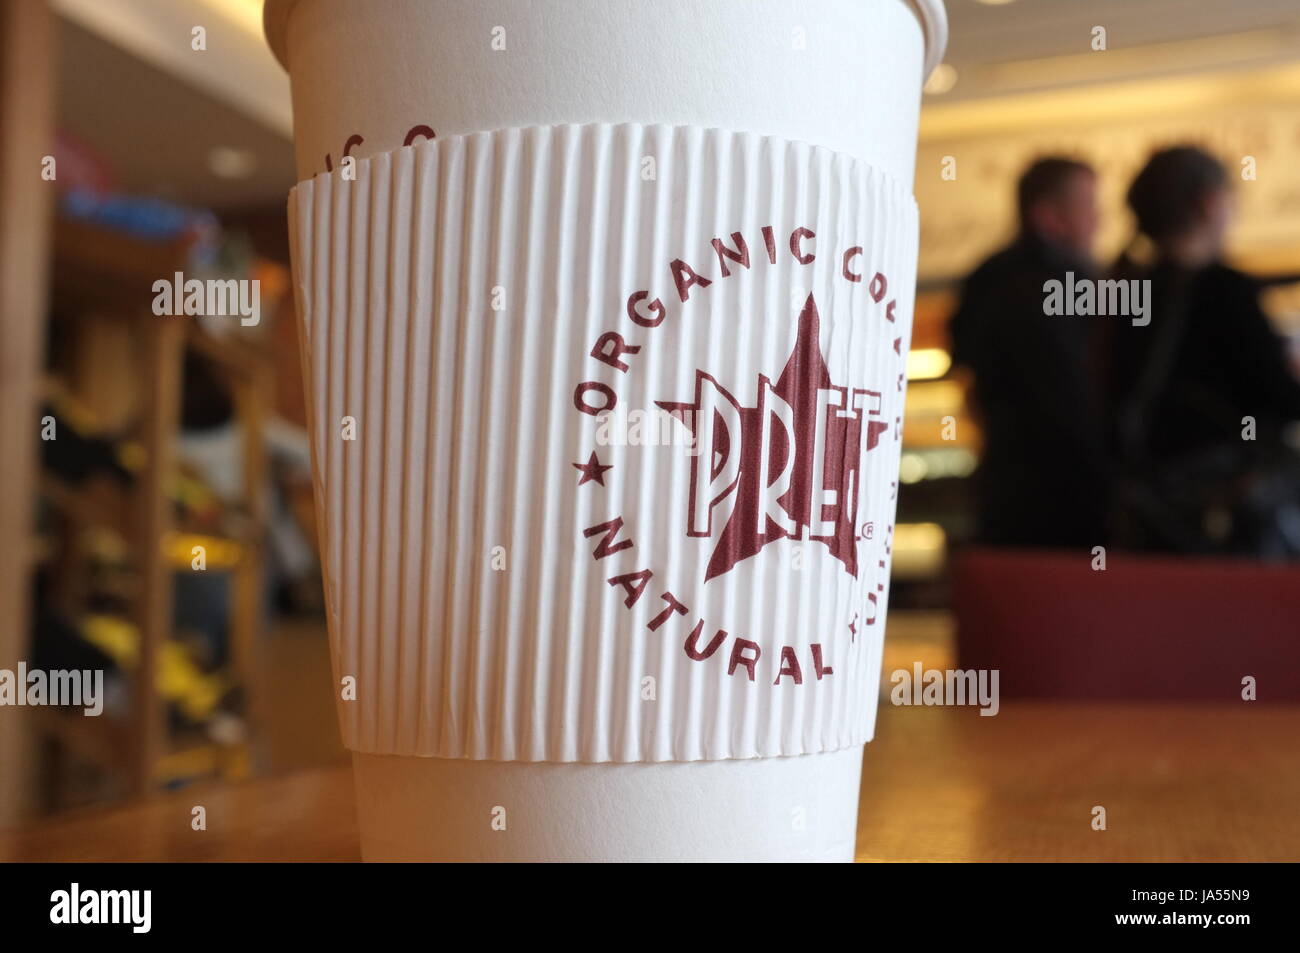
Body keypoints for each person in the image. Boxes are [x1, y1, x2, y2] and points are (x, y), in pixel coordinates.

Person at [1109, 146, 1300, 557]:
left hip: (1157, 519)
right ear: (1209, 203)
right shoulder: (1223, 289)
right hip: (1231, 515)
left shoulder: (1124, 293)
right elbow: (1280, 399)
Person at [950, 157, 1108, 548]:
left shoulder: (986, 278)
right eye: (1087, 205)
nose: (1098, 220)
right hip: (1073, 494)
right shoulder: (1075, 285)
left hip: (1006, 492)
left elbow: (966, 378)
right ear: (1048, 216)